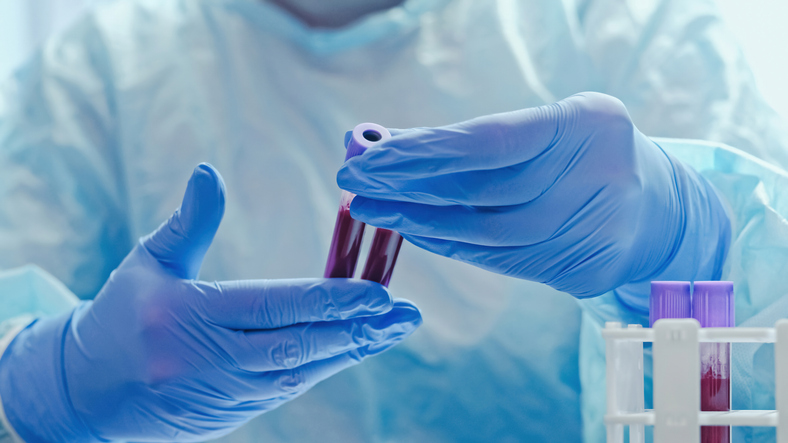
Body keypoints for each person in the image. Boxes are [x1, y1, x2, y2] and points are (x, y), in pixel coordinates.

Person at [0, 0, 786, 442]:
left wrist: (691, 263)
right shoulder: (100, 77)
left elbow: (740, 408)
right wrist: (42, 385)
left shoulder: (630, 30)